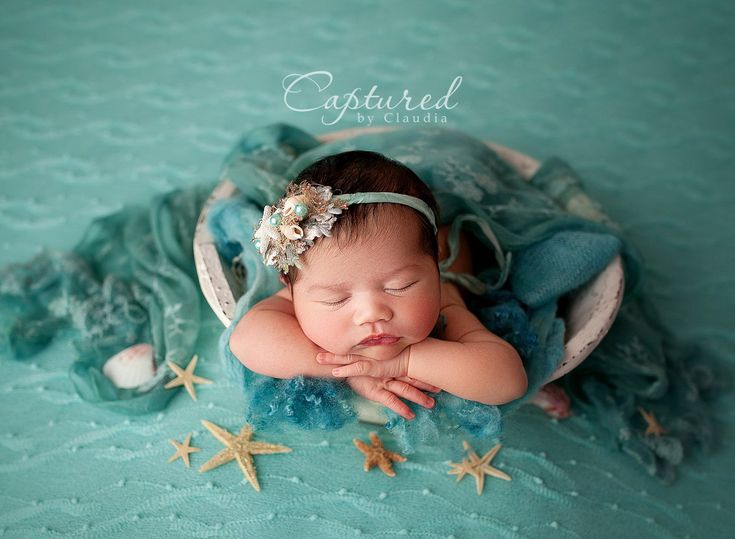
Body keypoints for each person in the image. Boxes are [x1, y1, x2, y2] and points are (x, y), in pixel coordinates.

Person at [229, 150, 528, 420]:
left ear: (435, 268)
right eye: (336, 300)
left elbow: (508, 381)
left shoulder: (445, 303)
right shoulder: (310, 283)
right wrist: (352, 372)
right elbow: (246, 341)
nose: (372, 314)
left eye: (400, 286)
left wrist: (402, 363)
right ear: (290, 287)